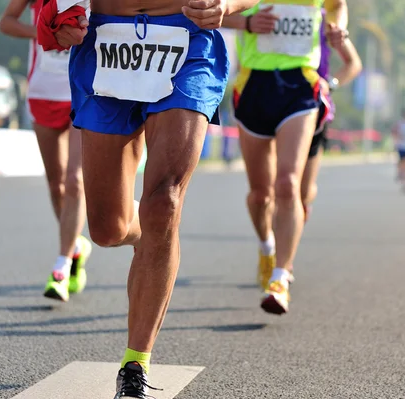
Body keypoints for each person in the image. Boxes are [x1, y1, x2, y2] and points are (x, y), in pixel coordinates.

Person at [39, 0, 258, 396]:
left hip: (187, 39)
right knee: (108, 229)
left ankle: (135, 360)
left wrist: (229, 4)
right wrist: (52, 11)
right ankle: (153, 234)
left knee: (165, 201)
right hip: (106, 40)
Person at [223, 0, 348, 315]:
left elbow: (338, 5)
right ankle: (267, 246)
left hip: (300, 86)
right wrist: (248, 24)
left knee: (288, 184)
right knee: (259, 195)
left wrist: (338, 26)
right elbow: (214, 14)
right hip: (253, 87)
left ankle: (280, 278)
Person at [0, 0, 92, 303]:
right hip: (43, 91)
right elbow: (6, 22)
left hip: (82, 88)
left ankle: (62, 266)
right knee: (57, 185)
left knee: (76, 180)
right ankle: (75, 245)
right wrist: (42, 31)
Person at [302, 8, 362, 222]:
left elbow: (353, 63)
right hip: (270, 99)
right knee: (274, 188)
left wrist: (330, 84)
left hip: (313, 107)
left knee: (303, 192)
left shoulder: (323, 16)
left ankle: (299, 210)